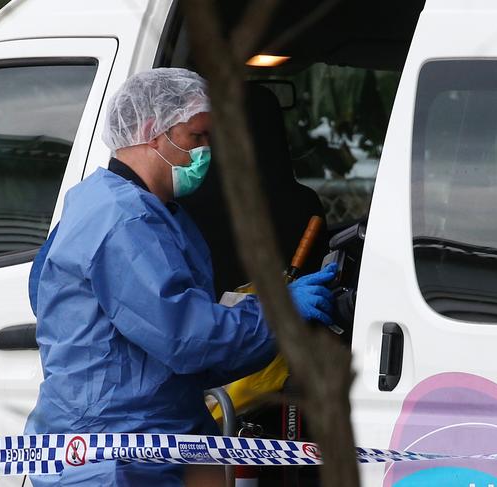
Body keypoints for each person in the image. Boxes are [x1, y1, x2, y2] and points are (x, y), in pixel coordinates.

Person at [25, 67, 337, 486]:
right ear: (154, 131)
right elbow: (187, 335)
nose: (207, 151)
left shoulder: (106, 201)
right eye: (197, 137)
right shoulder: (126, 221)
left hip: (143, 439)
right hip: (117, 452)